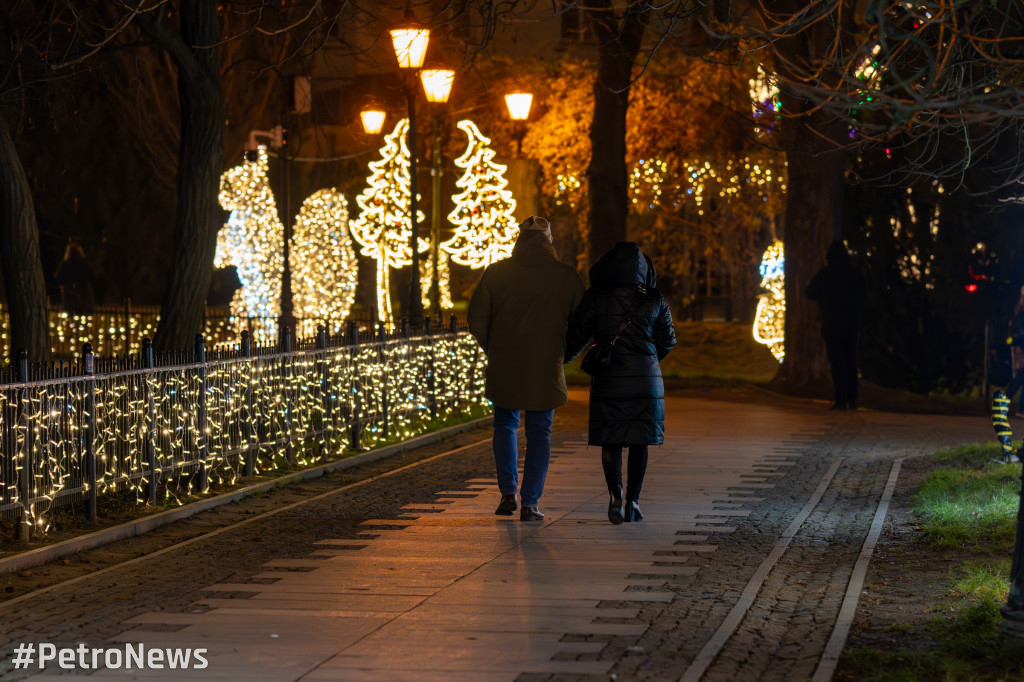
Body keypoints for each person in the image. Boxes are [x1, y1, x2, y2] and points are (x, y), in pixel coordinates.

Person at [468, 216, 586, 522]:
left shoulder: (496, 273)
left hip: (505, 361)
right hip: (546, 365)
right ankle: (531, 502)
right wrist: (564, 354)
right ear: (549, 241)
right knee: (540, 433)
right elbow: (584, 324)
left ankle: (508, 492)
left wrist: (494, 348)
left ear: (518, 239)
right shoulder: (566, 276)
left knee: (505, 425)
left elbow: (477, 319)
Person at [565, 242, 676, 524]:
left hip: (609, 376)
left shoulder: (597, 297)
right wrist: (648, 358)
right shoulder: (655, 299)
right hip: (646, 379)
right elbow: (667, 342)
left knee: (611, 439)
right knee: (640, 441)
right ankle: (633, 502)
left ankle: (615, 494)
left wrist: (564, 357)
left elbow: (577, 337)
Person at [805, 239, 866, 411]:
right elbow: (863, 296)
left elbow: (810, 292)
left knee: (837, 362)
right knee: (850, 360)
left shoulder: (826, 274)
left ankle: (841, 399)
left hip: (832, 324)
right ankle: (853, 398)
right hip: (851, 324)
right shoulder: (854, 274)